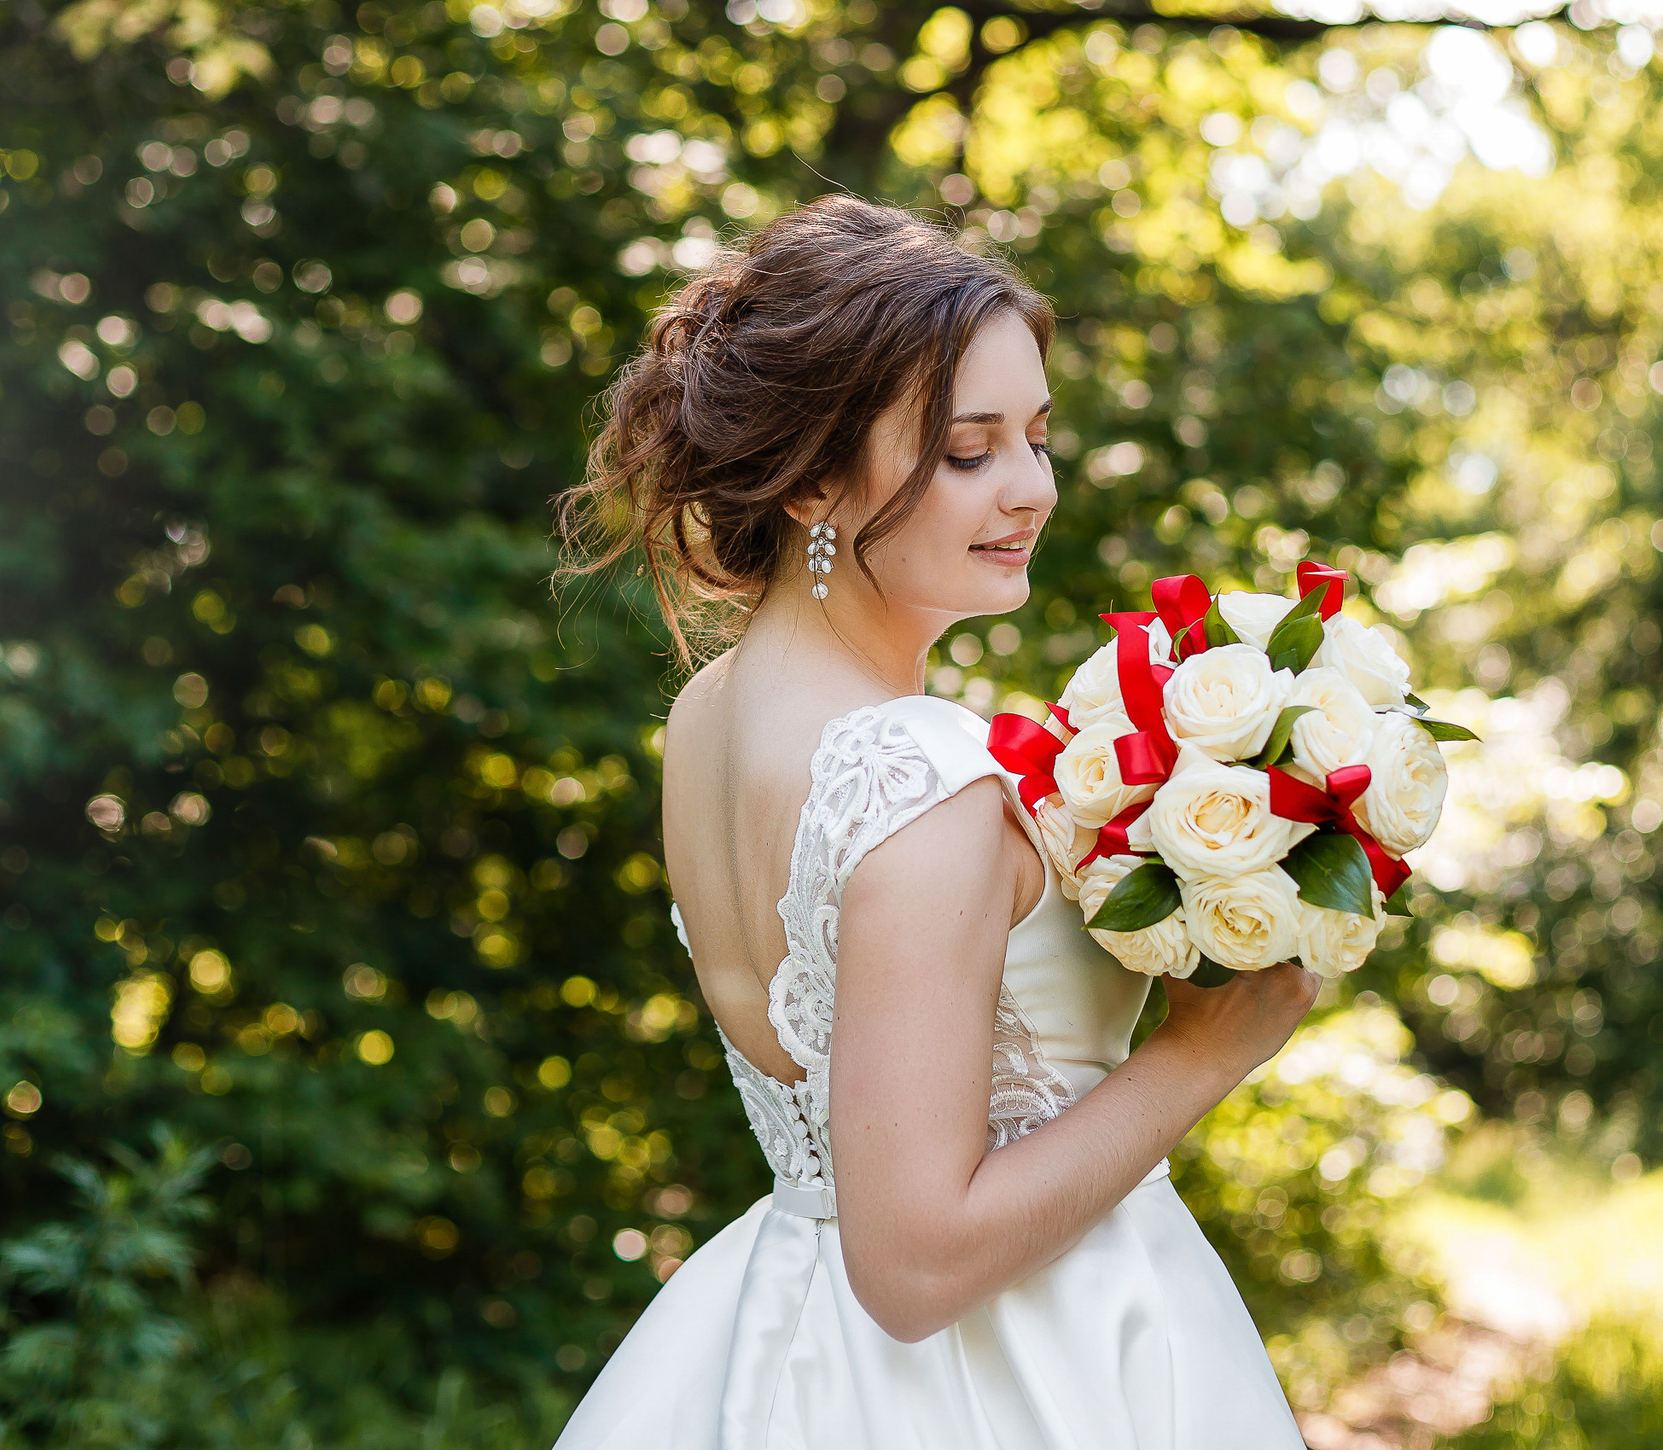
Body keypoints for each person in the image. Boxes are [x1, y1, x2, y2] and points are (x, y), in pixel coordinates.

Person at [554, 194, 1316, 1447]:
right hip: (1014, 1375)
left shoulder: (710, 716)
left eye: (1036, 436)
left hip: (785, 1339)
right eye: (969, 451)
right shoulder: (929, 781)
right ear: (807, 479)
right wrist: (1202, 1053)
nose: (1030, 490)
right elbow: (911, 1265)